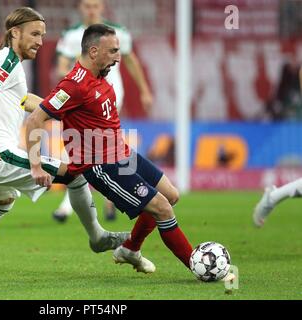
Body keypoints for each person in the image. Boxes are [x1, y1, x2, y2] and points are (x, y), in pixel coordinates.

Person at [0, 8, 128, 274]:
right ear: (15, 32)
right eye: (35, 34)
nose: (40, 41)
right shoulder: (4, 60)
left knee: (3, 202)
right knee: (75, 175)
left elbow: (25, 101)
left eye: (43, 35)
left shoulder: (12, 65)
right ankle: (97, 236)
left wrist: (67, 112)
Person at [26, 24, 193, 274]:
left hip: (122, 153)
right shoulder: (73, 85)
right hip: (101, 164)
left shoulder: (102, 78)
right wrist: (36, 164)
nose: (118, 56)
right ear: (93, 51)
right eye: (113, 51)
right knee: (162, 208)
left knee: (171, 195)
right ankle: (199, 265)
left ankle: (130, 249)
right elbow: (35, 120)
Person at [52, 0, 153, 222]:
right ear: (80, 8)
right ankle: (108, 200)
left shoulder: (118, 34)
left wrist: (145, 90)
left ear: (102, 7)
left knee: (94, 151)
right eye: (87, 5)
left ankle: (81, 204)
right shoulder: (71, 35)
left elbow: (130, 61)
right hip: (84, 97)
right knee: (97, 151)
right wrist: (76, 82)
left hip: (109, 95)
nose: (91, 10)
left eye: (95, 5)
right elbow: (61, 66)